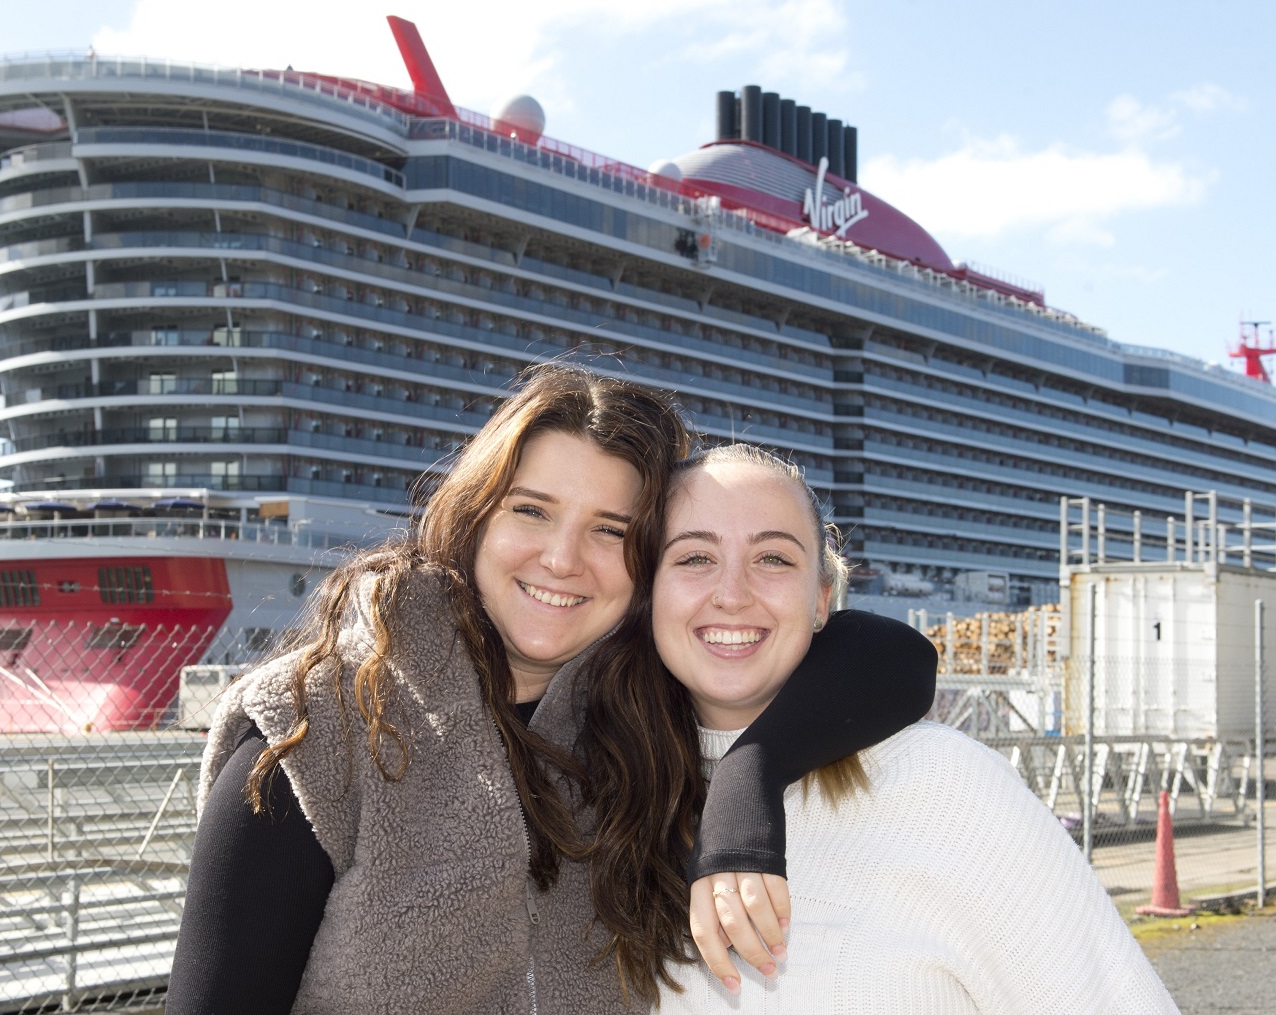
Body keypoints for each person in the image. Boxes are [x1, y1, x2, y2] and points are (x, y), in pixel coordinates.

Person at [167, 367, 935, 1014]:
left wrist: (747, 779)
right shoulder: (321, 725)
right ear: (474, 518)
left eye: (610, 529)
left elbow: (895, 658)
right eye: (531, 510)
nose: (563, 558)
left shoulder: (644, 721)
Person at [591, 444, 1179, 1012]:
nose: (732, 593)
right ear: (647, 593)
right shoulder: (602, 801)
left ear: (822, 600)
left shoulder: (951, 792)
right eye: (695, 557)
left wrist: (751, 768)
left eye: (773, 558)